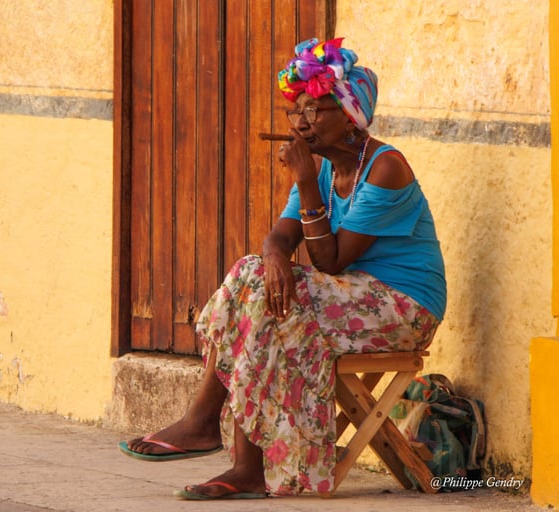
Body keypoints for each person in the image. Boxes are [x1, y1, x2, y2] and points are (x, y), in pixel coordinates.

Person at [118, 37, 446, 500]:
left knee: (271, 297)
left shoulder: (385, 168)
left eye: (315, 110)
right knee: (257, 277)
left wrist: (305, 181)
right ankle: (230, 450)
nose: (302, 122)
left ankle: (215, 434)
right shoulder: (325, 167)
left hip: (404, 308)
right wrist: (274, 259)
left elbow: (329, 260)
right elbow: (279, 238)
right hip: (350, 295)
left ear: (350, 115)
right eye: (297, 111)